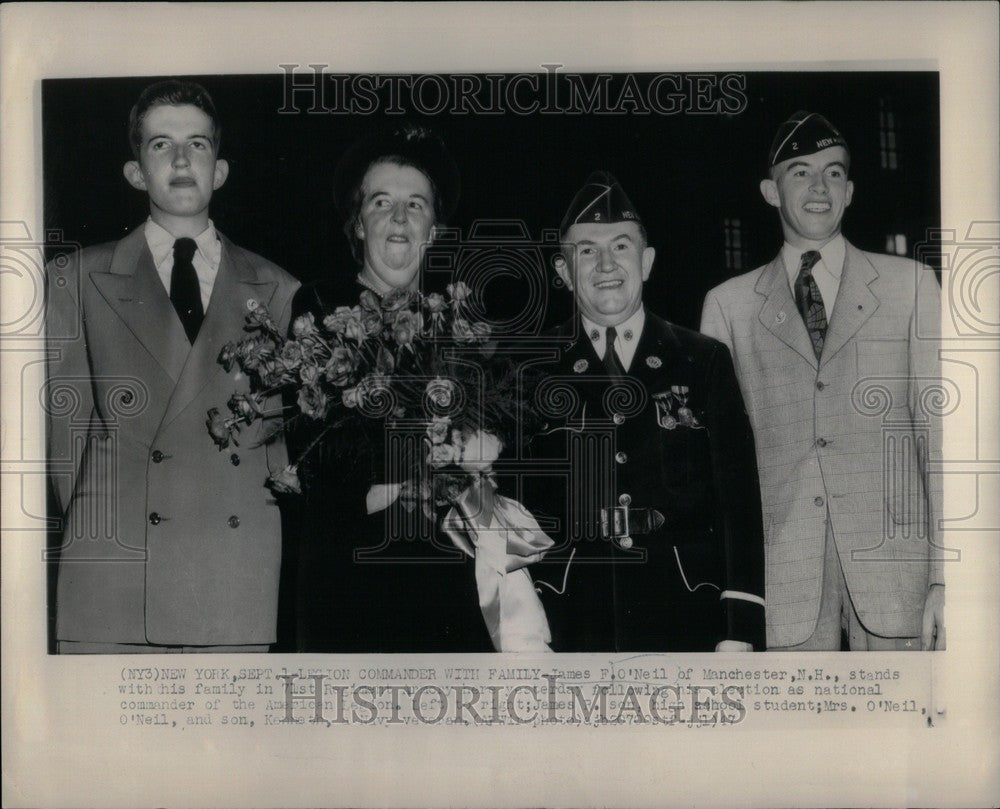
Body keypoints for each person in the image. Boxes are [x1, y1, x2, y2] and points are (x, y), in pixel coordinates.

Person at [45, 80, 300, 653]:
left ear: (222, 169)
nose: (182, 160)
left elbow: (275, 446)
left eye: (198, 144)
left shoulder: (279, 288)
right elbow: (65, 446)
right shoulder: (78, 280)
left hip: (234, 576)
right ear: (136, 171)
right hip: (115, 581)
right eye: (162, 145)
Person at [701, 111, 944, 651]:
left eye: (833, 173)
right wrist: (731, 605)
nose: (819, 187)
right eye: (800, 171)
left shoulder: (911, 286)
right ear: (770, 191)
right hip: (781, 587)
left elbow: (941, 441)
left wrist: (946, 578)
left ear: (851, 190)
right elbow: (722, 473)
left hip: (898, 580)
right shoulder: (728, 307)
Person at [526, 170, 766, 652]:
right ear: (561, 270)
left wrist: (740, 626)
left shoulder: (703, 360)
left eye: (621, 246)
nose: (605, 263)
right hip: (568, 621)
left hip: (683, 616)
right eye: (586, 250)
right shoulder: (529, 370)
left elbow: (738, 500)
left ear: (647, 261)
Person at [286, 122, 492, 652]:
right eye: (381, 202)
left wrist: (478, 450)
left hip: (449, 590)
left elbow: (503, 440)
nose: (399, 218)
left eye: (416, 205)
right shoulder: (319, 309)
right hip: (349, 591)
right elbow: (325, 467)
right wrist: (435, 465)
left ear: (436, 232)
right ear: (357, 224)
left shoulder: (462, 322)